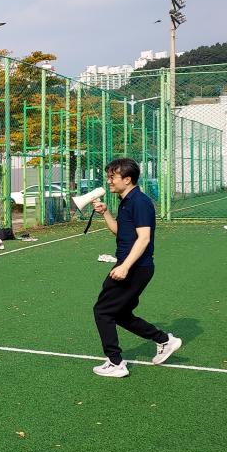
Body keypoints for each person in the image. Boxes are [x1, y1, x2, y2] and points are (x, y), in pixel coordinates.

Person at [90, 158, 182, 378]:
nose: (109, 181)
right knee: (120, 314)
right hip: (134, 266)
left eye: (112, 177)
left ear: (127, 179)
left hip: (134, 267)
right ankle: (164, 340)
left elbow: (144, 238)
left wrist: (125, 267)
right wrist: (105, 213)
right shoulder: (126, 200)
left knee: (103, 311)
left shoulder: (139, 202)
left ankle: (115, 362)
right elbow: (120, 231)